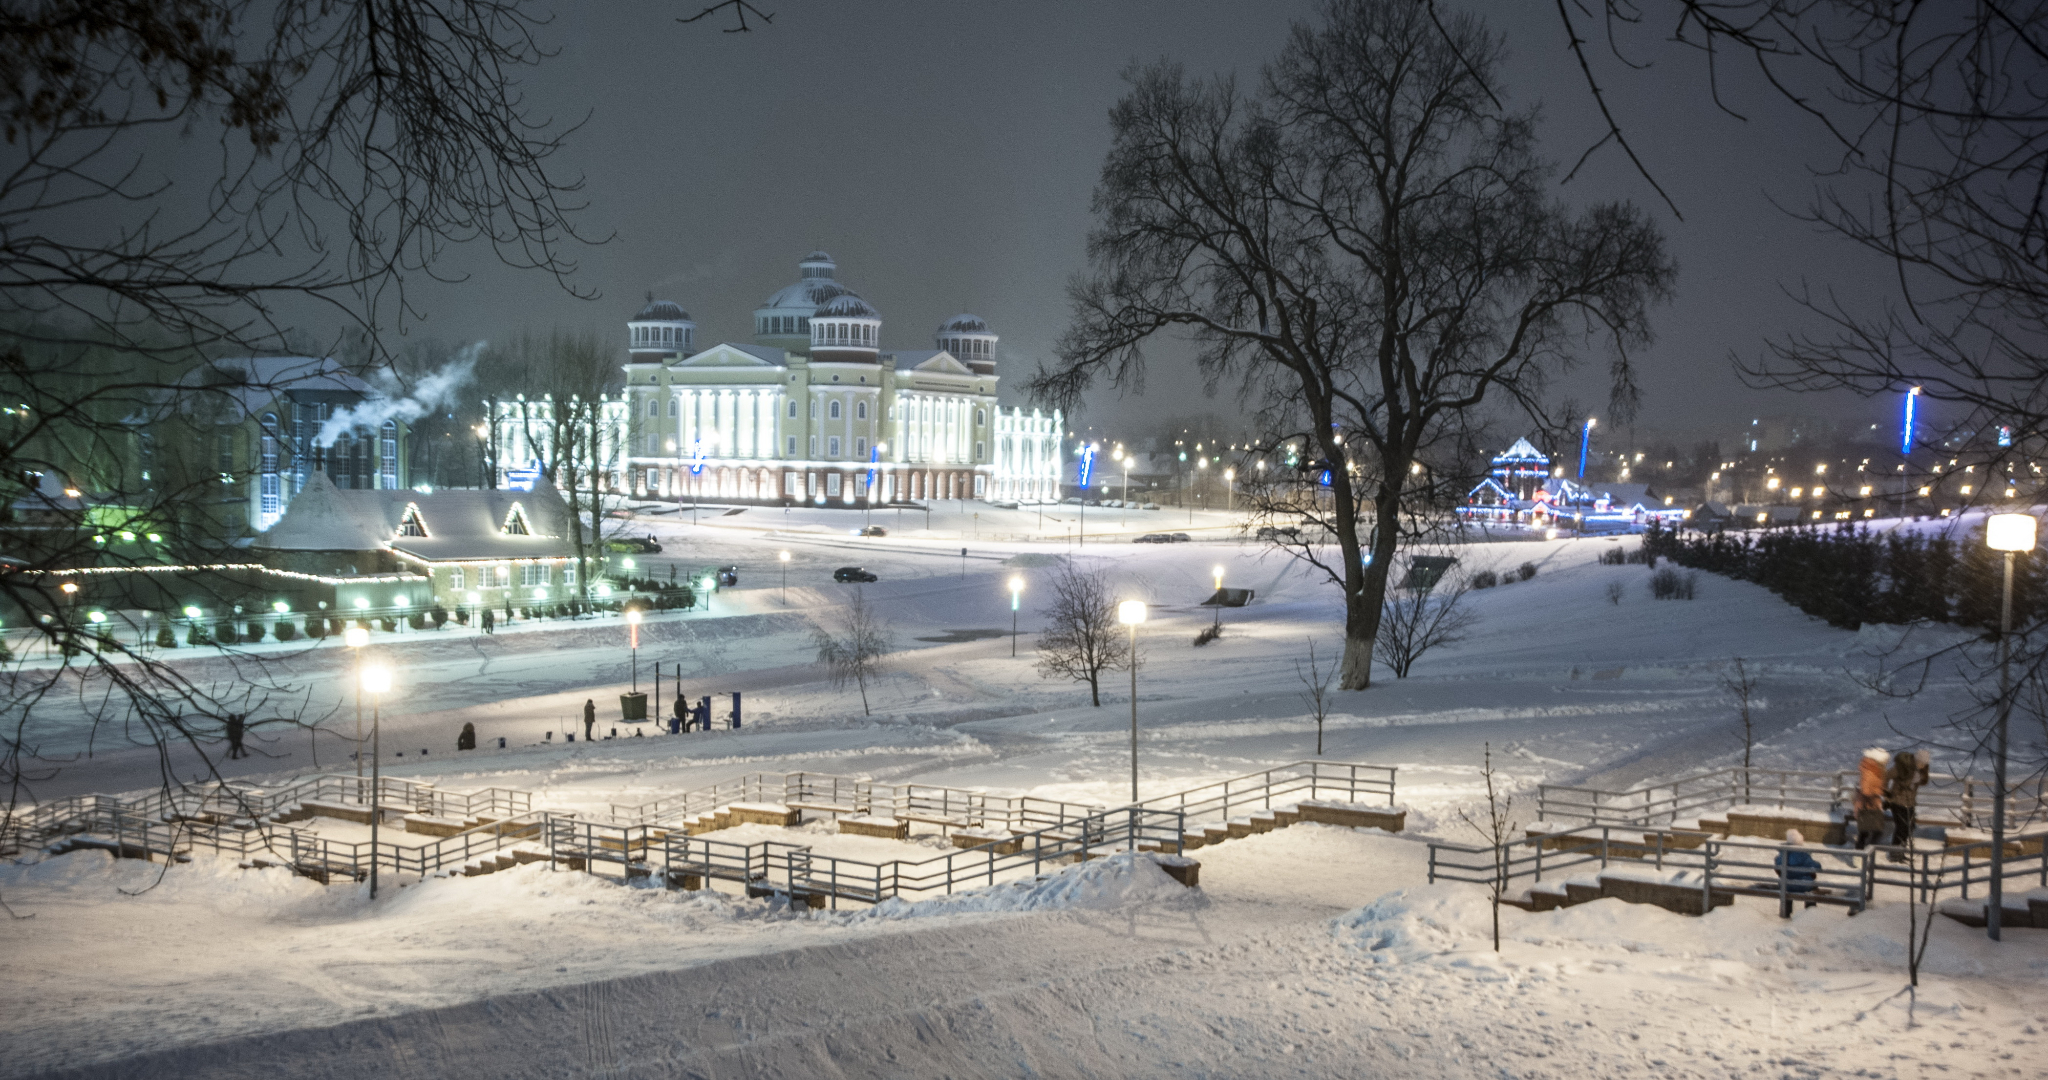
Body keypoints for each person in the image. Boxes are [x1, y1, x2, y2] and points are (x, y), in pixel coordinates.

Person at [1886, 749, 1930, 862]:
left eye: (1924, 764)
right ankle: (1894, 854)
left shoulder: (1921, 771)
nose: (1922, 765)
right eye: (1921, 762)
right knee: (1901, 828)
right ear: (1916, 760)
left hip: (1910, 803)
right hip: (1897, 801)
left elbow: (1918, 784)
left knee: (1908, 828)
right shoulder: (1902, 767)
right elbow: (1885, 776)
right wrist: (1887, 794)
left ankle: (1901, 852)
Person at [1775, 829, 1822, 908]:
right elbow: (1817, 867)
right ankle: (1810, 910)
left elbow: (1777, 866)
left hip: (1786, 885)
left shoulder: (1782, 854)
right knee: (1812, 889)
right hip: (1805, 885)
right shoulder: (1804, 855)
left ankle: (1786, 911)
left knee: (1785, 891)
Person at [1853, 747, 1889, 849]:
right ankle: (1861, 855)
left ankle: (1863, 854)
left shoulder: (1874, 770)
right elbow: (1865, 790)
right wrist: (1878, 793)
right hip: (1867, 806)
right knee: (1869, 832)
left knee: (1868, 832)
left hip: (1871, 805)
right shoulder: (1870, 771)